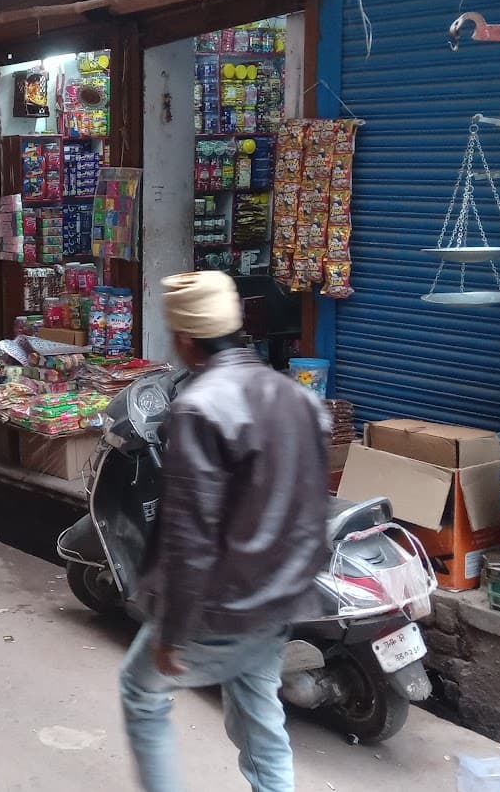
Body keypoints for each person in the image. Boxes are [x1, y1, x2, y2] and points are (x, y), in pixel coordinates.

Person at [119, 271, 330, 792]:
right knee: (257, 715)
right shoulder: (297, 398)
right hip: (280, 599)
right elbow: (310, 505)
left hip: (226, 604)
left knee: (140, 692)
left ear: (187, 339)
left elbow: (190, 536)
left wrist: (173, 631)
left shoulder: (197, 407)